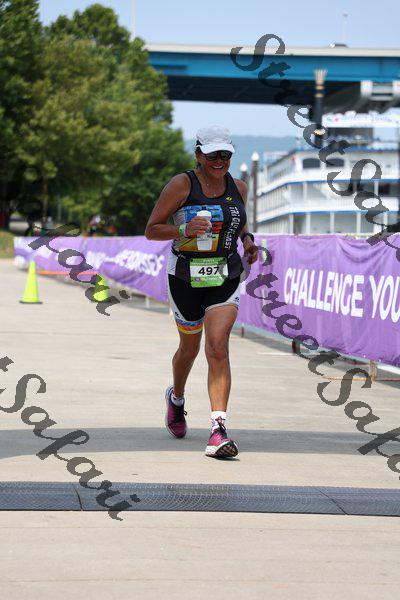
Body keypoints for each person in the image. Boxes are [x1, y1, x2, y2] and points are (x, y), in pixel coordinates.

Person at [145, 125, 258, 458]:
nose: (219, 161)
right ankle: (176, 398)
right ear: (198, 155)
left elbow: (240, 221)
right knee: (189, 349)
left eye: (225, 155)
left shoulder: (239, 187)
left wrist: (247, 241)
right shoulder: (182, 185)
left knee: (218, 346)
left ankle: (218, 430)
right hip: (185, 277)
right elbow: (151, 230)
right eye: (212, 155)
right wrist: (183, 228)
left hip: (225, 273)